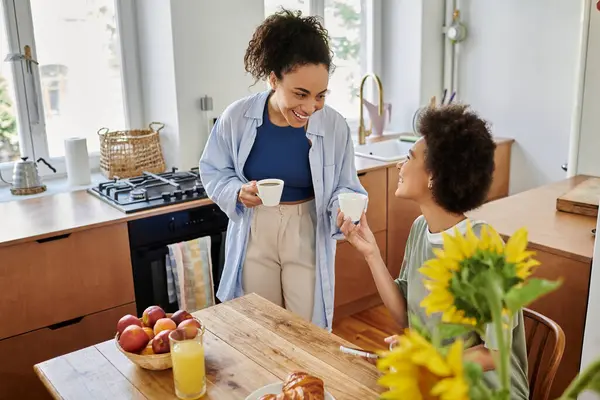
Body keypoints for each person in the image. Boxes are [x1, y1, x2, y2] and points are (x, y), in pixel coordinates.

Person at [338, 104, 529, 398]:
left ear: (435, 176)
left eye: (408, 158)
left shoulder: (483, 248)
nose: (400, 166)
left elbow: (496, 355)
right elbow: (405, 316)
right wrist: (371, 253)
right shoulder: (419, 230)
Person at [199, 9, 366, 330]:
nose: (309, 107)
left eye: (320, 96)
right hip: (254, 229)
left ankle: (304, 382)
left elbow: (347, 185)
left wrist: (346, 208)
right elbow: (213, 170)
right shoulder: (237, 117)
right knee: (259, 326)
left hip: (307, 227)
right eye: (300, 94)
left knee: (305, 329)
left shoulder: (334, 126)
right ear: (273, 79)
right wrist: (237, 191)